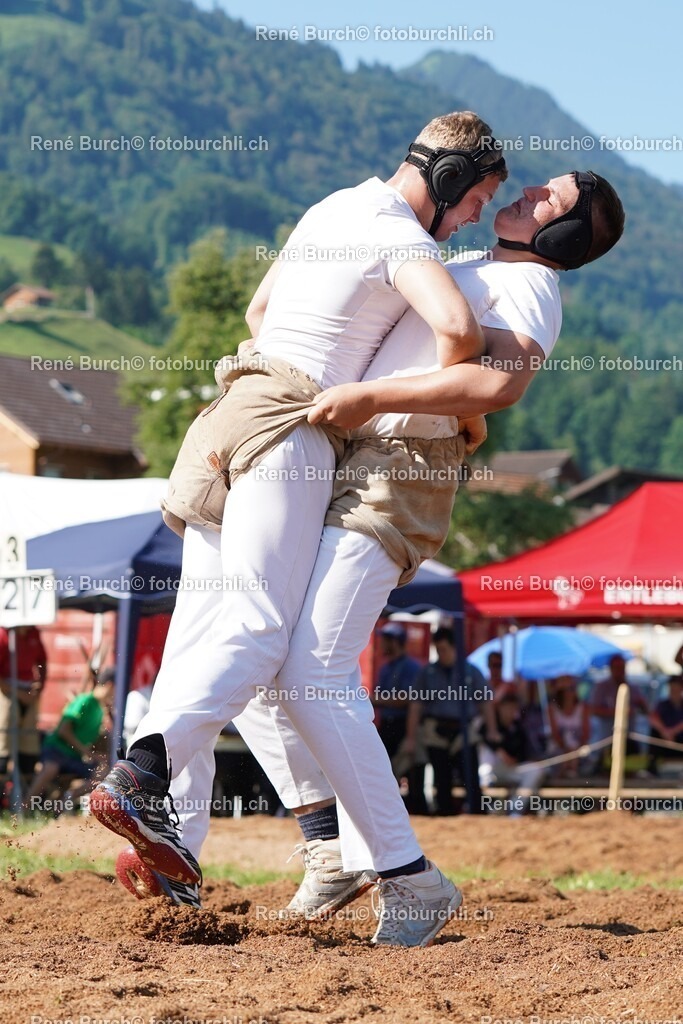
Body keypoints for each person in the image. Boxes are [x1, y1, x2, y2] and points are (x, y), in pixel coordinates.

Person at [105, 166, 625, 937]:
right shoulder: (473, 267)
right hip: (357, 457)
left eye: (545, 197)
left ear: (563, 235)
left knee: (306, 667)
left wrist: (371, 400)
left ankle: (400, 873)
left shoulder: (531, 288)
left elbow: (496, 386)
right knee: (276, 659)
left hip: (397, 472)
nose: (522, 195)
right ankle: (333, 848)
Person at [406, 627, 493, 815]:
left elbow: (485, 702)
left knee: (469, 775)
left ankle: (476, 811)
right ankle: (444, 812)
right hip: (436, 730)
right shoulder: (427, 672)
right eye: (438, 650)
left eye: (444, 649)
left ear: (454, 647)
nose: (441, 654)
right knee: (441, 778)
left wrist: (492, 730)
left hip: (464, 730)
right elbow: (416, 706)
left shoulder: (471, 671)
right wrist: (411, 737)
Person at [26, 676, 115, 807]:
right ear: (110, 685)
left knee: (104, 772)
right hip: (55, 749)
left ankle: (65, 800)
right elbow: (63, 730)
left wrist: (99, 757)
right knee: (51, 768)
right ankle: (23, 808)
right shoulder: (84, 700)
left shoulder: (100, 710)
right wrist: (89, 754)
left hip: (74, 757)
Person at [372, 622, 425, 812]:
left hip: (405, 725)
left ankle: (416, 809)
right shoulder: (386, 668)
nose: (382, 644)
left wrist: (375, 700)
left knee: (410, 769)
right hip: (388, 724)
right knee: (384, 769)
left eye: (386, 640)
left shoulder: (411, 667)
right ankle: (389, 809)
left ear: (395, 642)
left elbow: (409, 699)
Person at [479, 693, 546, 813]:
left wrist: (514, 760)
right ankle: (487, 806)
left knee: (535, 770)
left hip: (512, 769)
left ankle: (515, 808)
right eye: (507, 707)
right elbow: (483, 739)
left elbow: (523, 754)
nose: (511, 711)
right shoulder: (489, 725)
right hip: (492, 770)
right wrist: (500, 752)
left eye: (513, 708)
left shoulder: (519, 728)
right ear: (499, 709)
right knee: (485, 763)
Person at [0, 625, 47, 780]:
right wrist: (18, 693)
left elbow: (42, 660)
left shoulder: (33, 632)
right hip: (6, 692)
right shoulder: (3, 635)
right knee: (4, 743)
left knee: (29, 746)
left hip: (28, 690)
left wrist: (39, 688)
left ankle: (25, 795)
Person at [590, 654, 649, 772]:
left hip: (629, 736)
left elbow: (646, 709)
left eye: (622, 667)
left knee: (631, 768)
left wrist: (641, 705)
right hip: (608, 738)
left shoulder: (633, 687)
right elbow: (593, 709)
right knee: (606, 769)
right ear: (611, 669)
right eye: (617, 668)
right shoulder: (602, 687)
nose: (620, 671)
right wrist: (617, 713)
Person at [548, 675, 590, 778]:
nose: (568, 693)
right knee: (563, 759)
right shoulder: (551, 709)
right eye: (565, 690)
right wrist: (567, 751)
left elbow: (586, 734)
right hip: (558, 750)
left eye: (571, 688)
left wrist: (574, 751)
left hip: (579, 750)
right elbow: (555, 735)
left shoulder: (583, 707)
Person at [648, 676, 683, 772]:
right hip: (665, 742)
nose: (674, 691)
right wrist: (664, 731)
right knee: (654, 732)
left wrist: (672, 732)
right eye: (672, 689)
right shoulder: (663, 704)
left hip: (679, 740)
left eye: (676, 688)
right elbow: (653, 717)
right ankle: (651, 768)